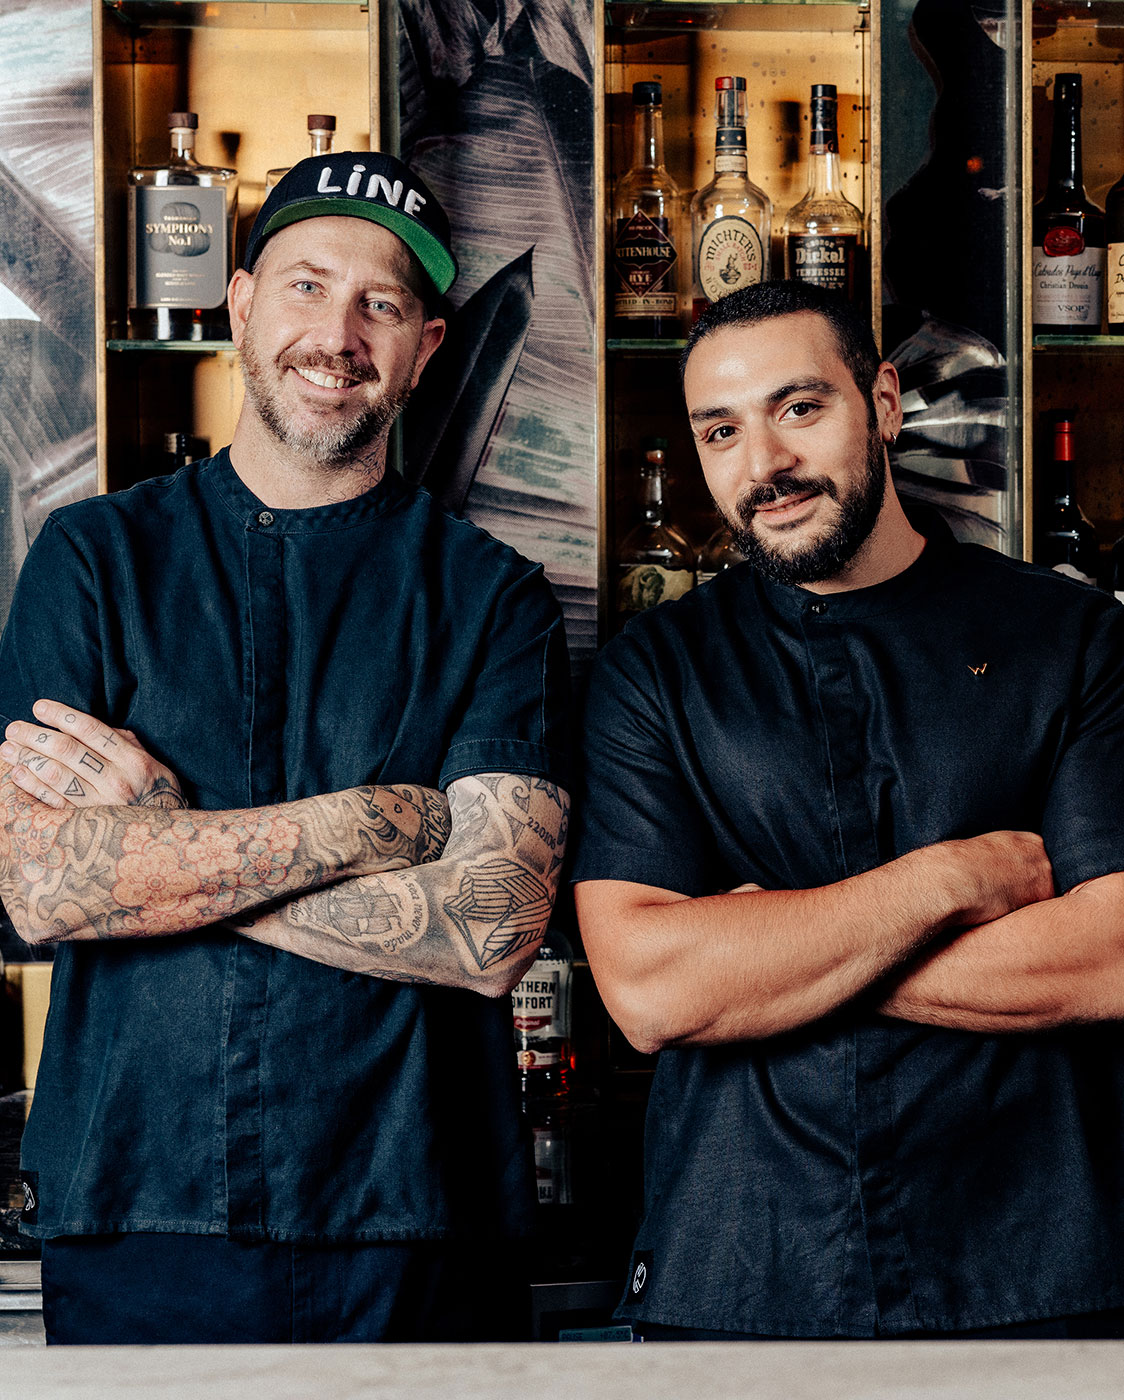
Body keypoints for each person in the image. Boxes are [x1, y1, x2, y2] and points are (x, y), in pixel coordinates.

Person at [0, 150, 571, 1344]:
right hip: (137, 1200)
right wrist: (374, 824)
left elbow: (490, 927)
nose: (340, 333)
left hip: (419, 1210)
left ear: (425, 345)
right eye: (307, 286)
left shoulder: (493, 597)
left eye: (383, 303)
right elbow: (42, 886)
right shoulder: (92, 560)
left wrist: (158, 849)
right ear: (242, 303)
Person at [573, 280, 1124, 1341]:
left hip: (1033, 1269)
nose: (762, 464)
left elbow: (1105, 952)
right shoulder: (654, 673)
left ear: (880, 401)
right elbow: (647, 987)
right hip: (739, 1265)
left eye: (799, 408)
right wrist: (944, 884)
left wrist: (767, 944)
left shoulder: (1069, 638)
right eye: (720, 431)